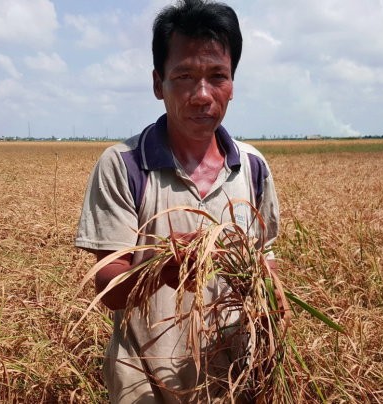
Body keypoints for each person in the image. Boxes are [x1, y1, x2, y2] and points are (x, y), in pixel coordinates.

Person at [75, 0, 279, 401]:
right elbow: (106, 286)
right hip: (146, 382)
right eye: (184, 75)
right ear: (158, 83)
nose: (202, 95)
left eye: (217, 76)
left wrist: (272, 318)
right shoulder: (125, 165)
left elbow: (265, 262)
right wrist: (160, 269)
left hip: (234, 380)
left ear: (232, 84)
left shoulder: (252, 167)